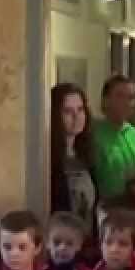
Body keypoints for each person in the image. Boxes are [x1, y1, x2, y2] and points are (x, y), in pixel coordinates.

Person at [92, 74, 135, 199]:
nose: (127, 102)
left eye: (131, 97)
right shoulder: (94, 135)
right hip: (110, 209)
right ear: (105, 101)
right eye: (120, 96)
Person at [49, 83, 97, 229]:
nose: (76, 116)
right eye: (68, 111)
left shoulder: (85, 154)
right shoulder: (48, 159)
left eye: (80, 109)